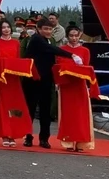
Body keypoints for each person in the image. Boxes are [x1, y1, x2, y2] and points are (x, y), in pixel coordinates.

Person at [23, 17, 81, 148]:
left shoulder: (49, 40)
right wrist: (71, 55)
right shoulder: (36, 39)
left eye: (50, 29)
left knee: (45, 110)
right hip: (33, 79)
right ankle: (28, 136)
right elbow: (52, 50)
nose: (48, 31)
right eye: (45, 29)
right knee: (30, 109)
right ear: (39, 29)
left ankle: (44, 138)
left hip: (46, 80)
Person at [0, 19, 36, 148]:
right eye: (3, 27)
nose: (6, 29)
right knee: (3, 107)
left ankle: (13, 134)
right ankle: (5, 134)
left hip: (14, 80)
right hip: (2, 80)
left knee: (15, 106)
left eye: (8, 27)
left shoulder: (16, 43)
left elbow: (18, 60)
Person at [54, 24, 97, 152]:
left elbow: (87, 67)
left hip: (79, 85)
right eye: (71, 36)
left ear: (79, 35)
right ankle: (68, 141)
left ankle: (81, 142)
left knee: (80, 114)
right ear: (67, 36)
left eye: (76, 35)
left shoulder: (85, 51)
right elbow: (58, 66)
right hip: (66, 86)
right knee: (67, 113)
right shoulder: (62, 49)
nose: (74, 38)